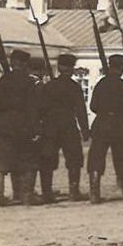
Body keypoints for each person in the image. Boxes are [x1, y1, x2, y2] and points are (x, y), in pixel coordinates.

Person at [86, 53, 123, 202]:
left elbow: (93, 106)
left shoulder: (101, 84)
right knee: (122, 158)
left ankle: (94, 192)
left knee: (96, 157)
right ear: (121, 67)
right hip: (119, 125)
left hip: (101, 123)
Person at [0, 49, 39, 205]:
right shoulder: (30, 82)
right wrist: (35, 128)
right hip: (23, 126)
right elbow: (33, 108)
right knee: (26, 160)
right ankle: (26, 195)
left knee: (0, 162)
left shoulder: (2, 82)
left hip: (2, 126)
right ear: (24, 64)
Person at [37, 52, 90, 201]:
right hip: (68, 125)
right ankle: (74, 191)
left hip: (50, 126)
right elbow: (80, 110)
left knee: (47, 159)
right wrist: (85, 130)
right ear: (71, 69)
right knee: (74, 159)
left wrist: (40, 126)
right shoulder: (74, 87)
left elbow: (40, 108)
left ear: (59, 67)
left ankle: (47, 193)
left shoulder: (48, 87)